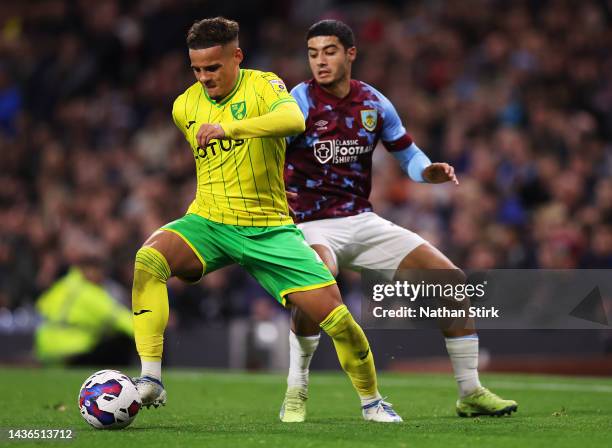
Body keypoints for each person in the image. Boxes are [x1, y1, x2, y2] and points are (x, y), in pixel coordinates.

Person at [131, 17, 401, 422]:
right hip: (209, 222)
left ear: (236, 56)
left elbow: (294, 121)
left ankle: (372, 401)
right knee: (148, 259)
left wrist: (231, 128)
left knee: (337, 318)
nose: (205, 78)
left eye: (214, 68)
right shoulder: (183, 106)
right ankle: (151, 378)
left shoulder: (264, 85)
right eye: (198, 69)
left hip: (268, 229)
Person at [280, 19, 517, 422]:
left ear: (350, 53)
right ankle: (296, 390)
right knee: (317, 281)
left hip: (361, 219)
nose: (320, 61)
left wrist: (428, 173)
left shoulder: (373, 102)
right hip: (310, 223)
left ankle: (470, 392)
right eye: (313, 53)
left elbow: (407, 154)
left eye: (329, 51)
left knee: (451, 279)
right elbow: (268, 154)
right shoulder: (299, 102)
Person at [35, 255, 134, 366]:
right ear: (88, 271)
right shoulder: (89, 293)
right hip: (74, 351)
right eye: (99, 272)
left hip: (46, 350)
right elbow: (122, 320)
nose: (101, 277)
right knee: (121, 340)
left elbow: (41, 307)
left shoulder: (61, 285)